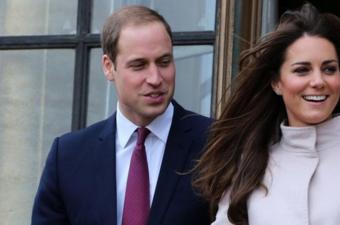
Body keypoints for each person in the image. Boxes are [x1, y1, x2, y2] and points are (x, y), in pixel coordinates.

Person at [193, 3, 340, 225]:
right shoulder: (251, 164)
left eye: (329, 69)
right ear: (276, 83)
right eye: (302, 70)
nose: (318, 81)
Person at [31, 5, 211, 225]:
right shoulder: (68, 157)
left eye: (164, 62)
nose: (155, 78)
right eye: (139, 65)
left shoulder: (217, 144)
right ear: (109, 67)